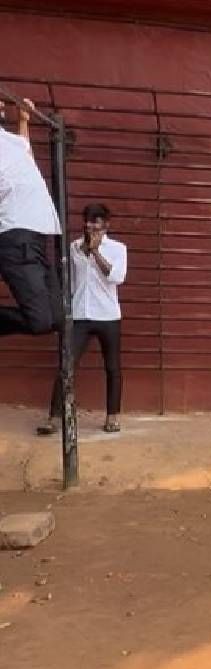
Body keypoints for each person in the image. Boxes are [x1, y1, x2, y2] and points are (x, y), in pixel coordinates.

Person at [44, 203, 128, 436]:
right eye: (89, 220)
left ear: (106, 225)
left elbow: (117, 278)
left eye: (97, 221)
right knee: (67, 365)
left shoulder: (118, 248)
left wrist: (96, 252)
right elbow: (69, 279)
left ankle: (112, 416)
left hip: (108, 315)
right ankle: (54, 417)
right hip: (81, 314)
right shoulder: (74, 248)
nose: (92, 225)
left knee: (112, 367)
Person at [0, 96, 60, 340]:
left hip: (37, 236)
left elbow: (27, 156)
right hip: (16, 236)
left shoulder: (11, 141)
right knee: (40, 321)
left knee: (57, 317)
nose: (2, 104)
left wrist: (24, 121)